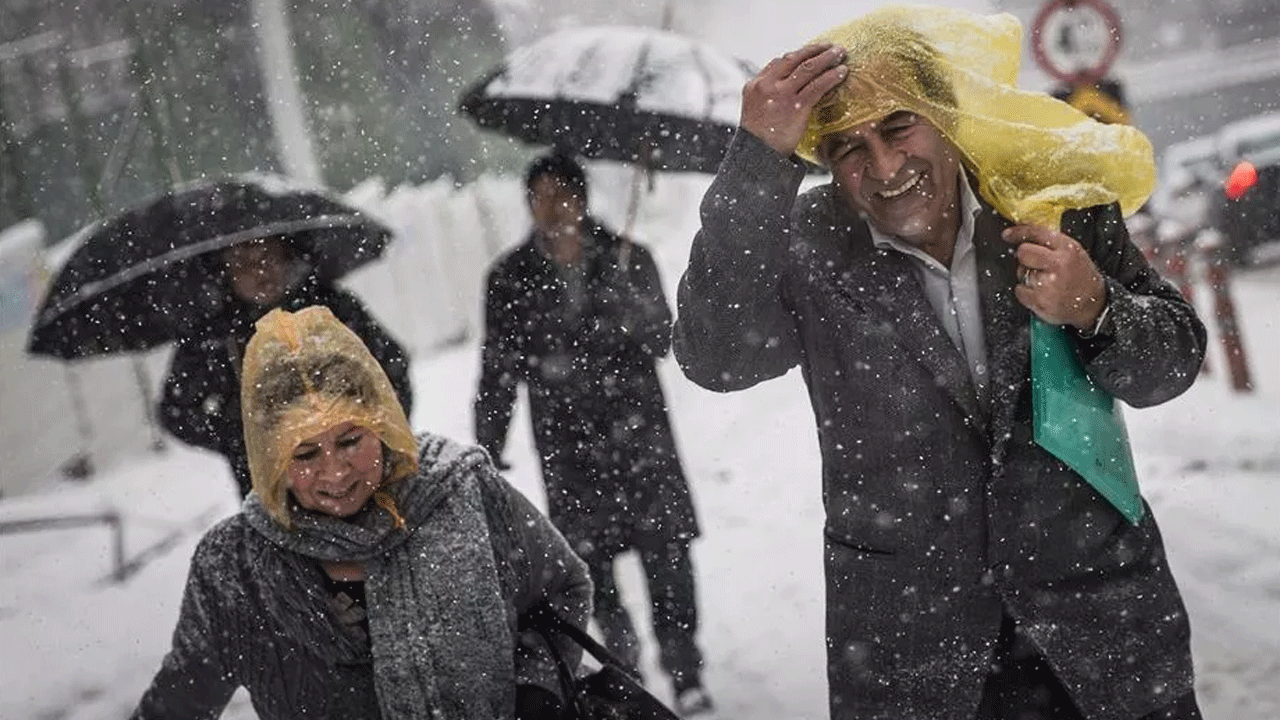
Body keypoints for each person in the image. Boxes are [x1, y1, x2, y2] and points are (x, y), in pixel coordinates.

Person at [673, 6, 1206, 720]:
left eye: (898, 127)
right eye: (849, 148)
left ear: (944, 115)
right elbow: (715, 357)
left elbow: (1172, 363)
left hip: (1101, 634)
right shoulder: (806, 244)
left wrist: (1096, 306)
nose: (885, 167)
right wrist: (756, 159)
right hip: (913, 656)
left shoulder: (1050, 203)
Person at [132, 305, 591, 720]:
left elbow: (562, 590)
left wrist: (537, 696)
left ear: (384, 422)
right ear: (272, 459)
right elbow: (178, 703)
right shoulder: (236, 566)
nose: (334, 471)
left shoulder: (461, 492)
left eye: (351, 440)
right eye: (305, 454)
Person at [473, 153, 713, 715]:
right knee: (586, 567)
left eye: (562, 194)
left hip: (640, 438)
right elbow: (497, 368)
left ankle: (685, 672)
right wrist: (489, 442)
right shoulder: (509, 279)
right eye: (539, 196)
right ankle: (623, 668)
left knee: (667, 557)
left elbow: (663, 342)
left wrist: (629, 307)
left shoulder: (631, 259)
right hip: (568, 443)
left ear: (583, 199)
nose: (552, 208)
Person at [159, 235, 413, 498]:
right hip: (273, 494)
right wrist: (243, 438)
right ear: (225, 271)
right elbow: (175, 411)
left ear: (287, 255)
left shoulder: (330, 307)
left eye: (268, 256)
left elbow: (392, 367)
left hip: (363, 476)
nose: (260, 271)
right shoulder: (213, 335)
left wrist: (378, 434)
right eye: (243, 263)